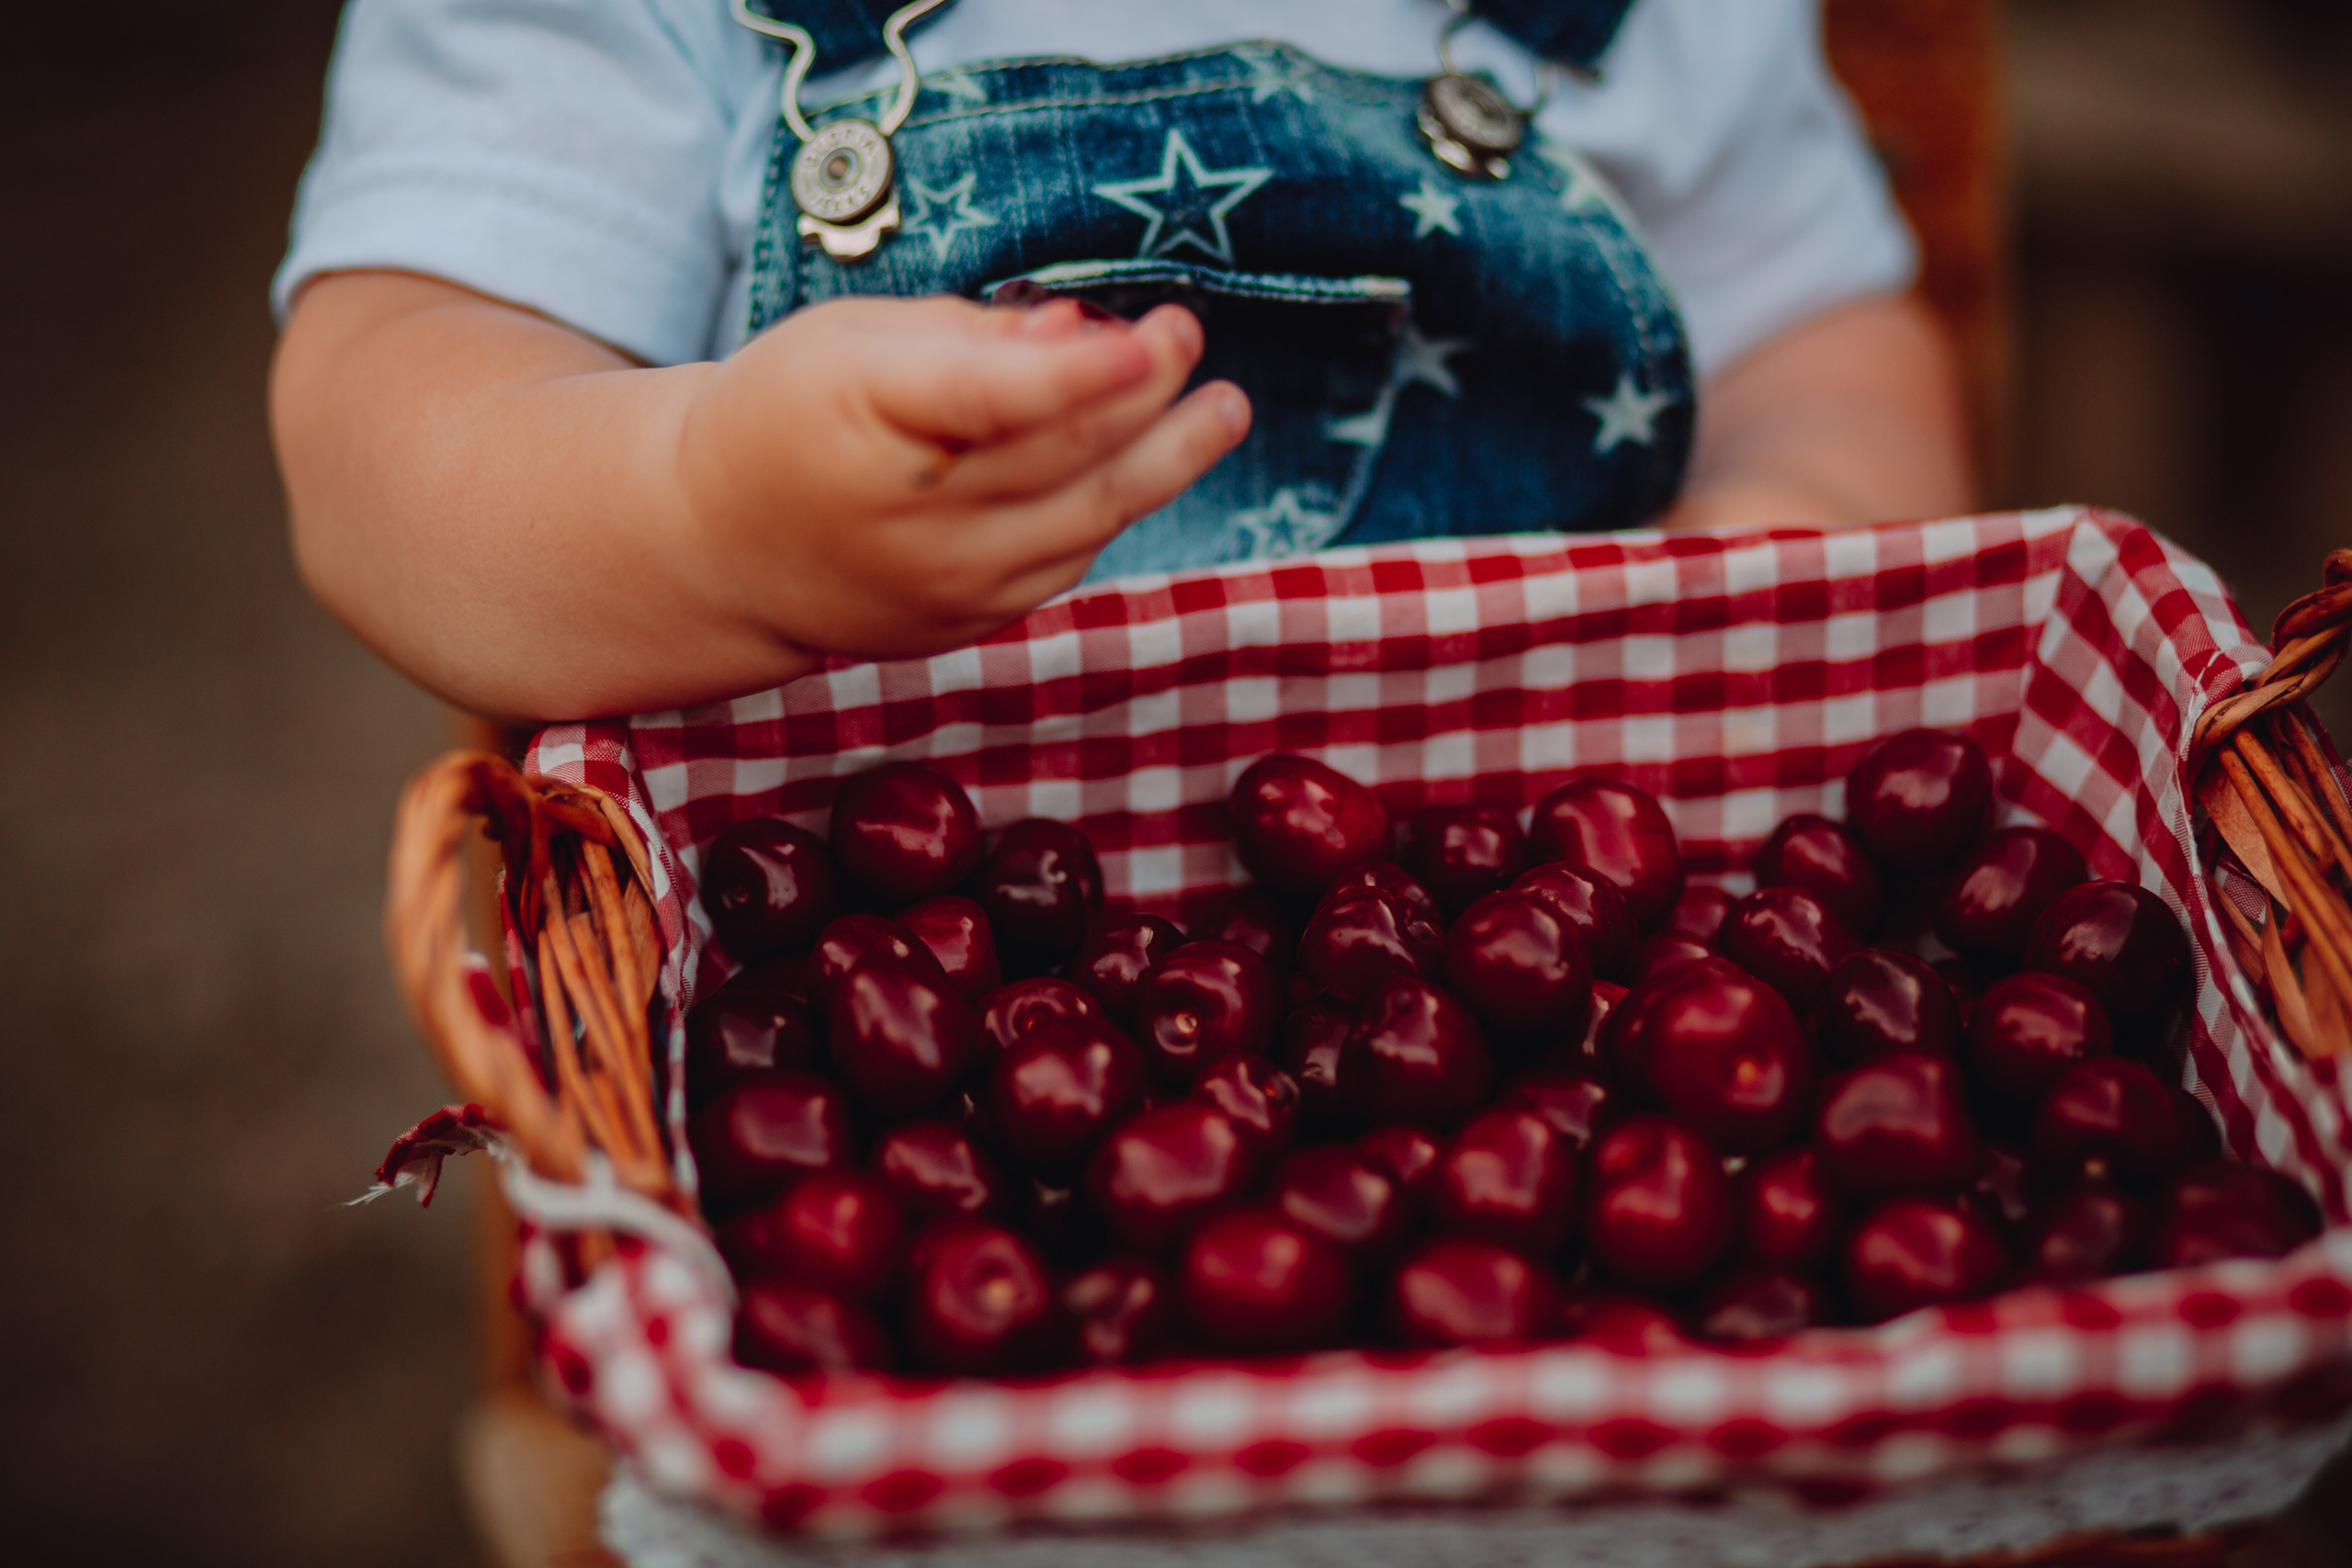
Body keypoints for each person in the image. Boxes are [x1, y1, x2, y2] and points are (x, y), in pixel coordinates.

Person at [269, 0, 1971, 724]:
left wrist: (1778, 542)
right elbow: (383, 433)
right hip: (884, 986)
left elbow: (1820, 347)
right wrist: (706, 519)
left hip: (1542, 952)